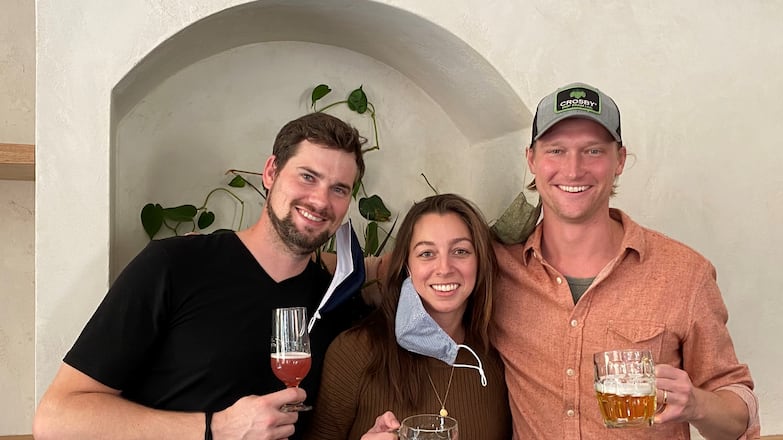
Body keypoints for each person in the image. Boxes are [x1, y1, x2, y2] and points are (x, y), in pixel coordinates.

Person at [33, 112, 370, 440]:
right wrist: (215, 429)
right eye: (308, 177)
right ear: (271, 172)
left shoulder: (337, 302)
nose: (320, 200)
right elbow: (56, 419)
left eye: (339, 189)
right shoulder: (173, 265)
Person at [491, 82, 760, 438]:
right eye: (556, 150)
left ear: (619, 160)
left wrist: (696, 403)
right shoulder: (498, 269)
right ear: (532, 160)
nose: (573, 170)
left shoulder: (685, 274)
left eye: (593, 151)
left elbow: (737, 412)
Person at [307, 194, 511, 439]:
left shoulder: (498, 359)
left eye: (460, 251)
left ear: (480, 262)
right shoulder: (354, 352)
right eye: (426, 253)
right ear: (407, 266)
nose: (444, 268)